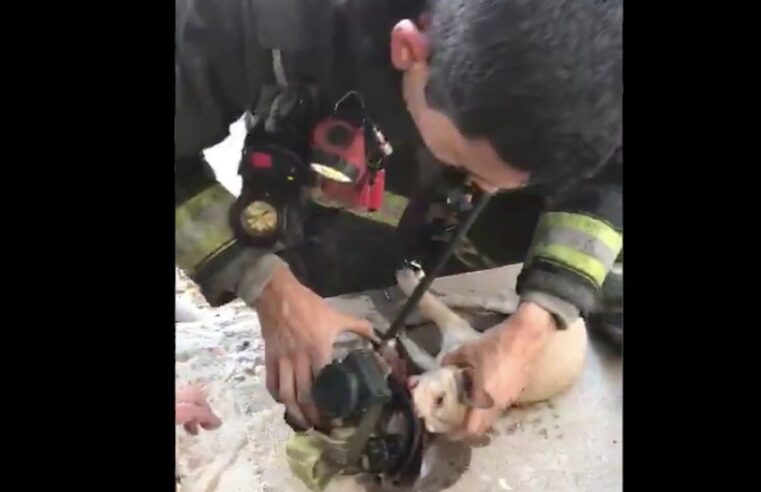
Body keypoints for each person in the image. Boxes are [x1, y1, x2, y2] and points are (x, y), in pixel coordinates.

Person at [175, 0, 622, 439]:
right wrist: (265, 284)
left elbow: (609, 178)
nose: (486, 192)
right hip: (329, 215)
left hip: (481, 261)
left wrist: (538, 318)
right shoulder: (257, 15)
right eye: (468, 168)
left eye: (514, 183)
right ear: (408, 48)